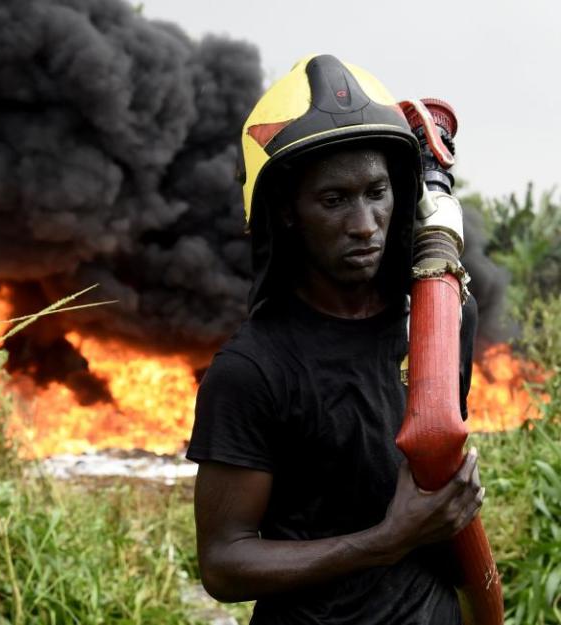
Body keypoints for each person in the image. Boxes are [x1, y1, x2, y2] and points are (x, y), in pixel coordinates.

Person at [187, 54, 483, 623]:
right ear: (287, 212)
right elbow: (224, 565)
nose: (365, 223)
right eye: (334, 199)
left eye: (377, 192)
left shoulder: (439, 321)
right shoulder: (252, 371)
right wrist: (385, 540)